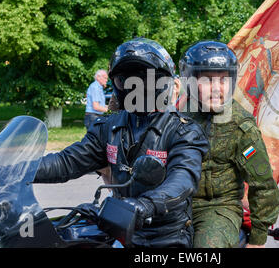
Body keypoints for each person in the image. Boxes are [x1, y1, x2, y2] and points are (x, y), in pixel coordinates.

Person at [34, 38, 209, 248]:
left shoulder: (184, 131)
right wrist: (16, 168)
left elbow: (183, 179)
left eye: (147, 79)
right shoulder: (108, 126)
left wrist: (146, 205)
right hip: (120, 230)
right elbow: (66, 162)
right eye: (126, 79)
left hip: (166, 236)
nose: (137, 87)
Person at [178, 40, 279, 248]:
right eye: (207, 80)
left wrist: (258, 239)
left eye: (223, 80)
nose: (217, 88)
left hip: (218, 208)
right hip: (175, 206)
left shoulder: (240, 126)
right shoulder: (177, 117)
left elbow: (263, 186)